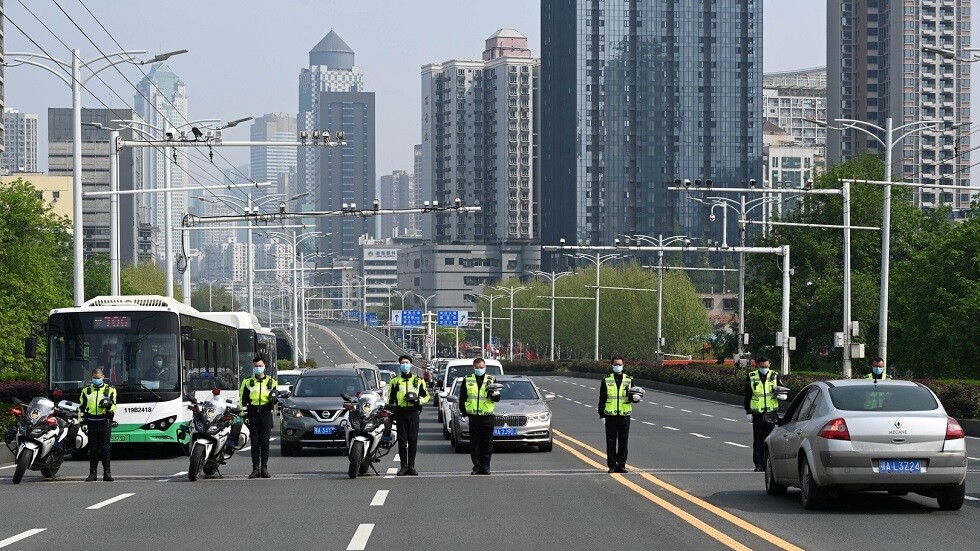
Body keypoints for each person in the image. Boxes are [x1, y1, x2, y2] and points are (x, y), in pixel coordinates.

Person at [386, 355, 430, 476]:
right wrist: (391, 411)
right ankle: (403, 467)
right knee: (402, 440)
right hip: (400, 413)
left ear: (411, 365)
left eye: (407, 363)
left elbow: (426, 396)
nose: (405, 365)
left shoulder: (418, 380)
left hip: (413, 413)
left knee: (412, 440)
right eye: (402, 363)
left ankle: (411, 466)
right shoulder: (395, 381)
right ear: (400, 365)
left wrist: (417, 401)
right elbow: (390, 399)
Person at [458, 358, 500, 475]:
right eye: (477, 368)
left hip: (487, 415)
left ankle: (486, 466)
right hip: (474, 416)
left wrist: (494, 393)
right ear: (473, 368)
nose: (479, 369)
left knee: (487, 442)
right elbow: (462, 398)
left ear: (485, 367)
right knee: (475, 442)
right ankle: (476, 466)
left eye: (481, 367)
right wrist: (465, 413)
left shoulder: (491, 379)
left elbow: (497, 398)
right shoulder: (467, 380)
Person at [239, 356, 278, 479]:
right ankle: (255, 469)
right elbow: (242, 399)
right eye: (256, 366)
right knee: (255, 442)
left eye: (260, 366)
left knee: (265, 441)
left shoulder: (272, 381)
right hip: (253, 413)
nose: (258, 368)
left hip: (266, 414)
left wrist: (274, 399)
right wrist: (244, 415)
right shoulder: (247, 381)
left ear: (265, 366)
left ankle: (264, 468)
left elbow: (275, 396)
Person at [743, 356, 782, 472]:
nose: (764, 368)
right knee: (758, 439)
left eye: (766, 366)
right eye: (762, 366)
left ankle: (768, 464)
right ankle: (758, 464)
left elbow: (781, 389)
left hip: (771, 412)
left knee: (769, 439)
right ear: (757, 365)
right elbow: (748, 395)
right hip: (757, 413)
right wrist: (748, 412)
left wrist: (782, 395)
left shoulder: (775, 375)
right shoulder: (752, 376)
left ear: (770, 364)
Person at [78, 368, 117, 482]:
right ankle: (92, 473)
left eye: (98, 378)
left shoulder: (110, 390)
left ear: (103, 377)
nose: (96, 380)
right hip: (91, 422)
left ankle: (107, 473)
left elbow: (115, 405)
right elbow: (81, 408)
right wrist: (82, 423)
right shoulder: (86, 390)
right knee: (93, 449)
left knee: (105, 448)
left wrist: (108, 405)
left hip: (104, 421)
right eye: (94, 378)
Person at [598, 356, 633, 473]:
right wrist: (601, 414)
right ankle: (612, 465)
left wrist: (636, 398)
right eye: (616, 364)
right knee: (611, 442)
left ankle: (621, 465)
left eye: (620, 364)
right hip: (611, 415)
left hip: (624, 415)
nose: (618, 366)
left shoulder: (629, 379)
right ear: (612, 365)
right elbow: (602, 398)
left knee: (624, 442)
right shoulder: (606, 379)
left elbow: (632, 396)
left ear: (623, 365)